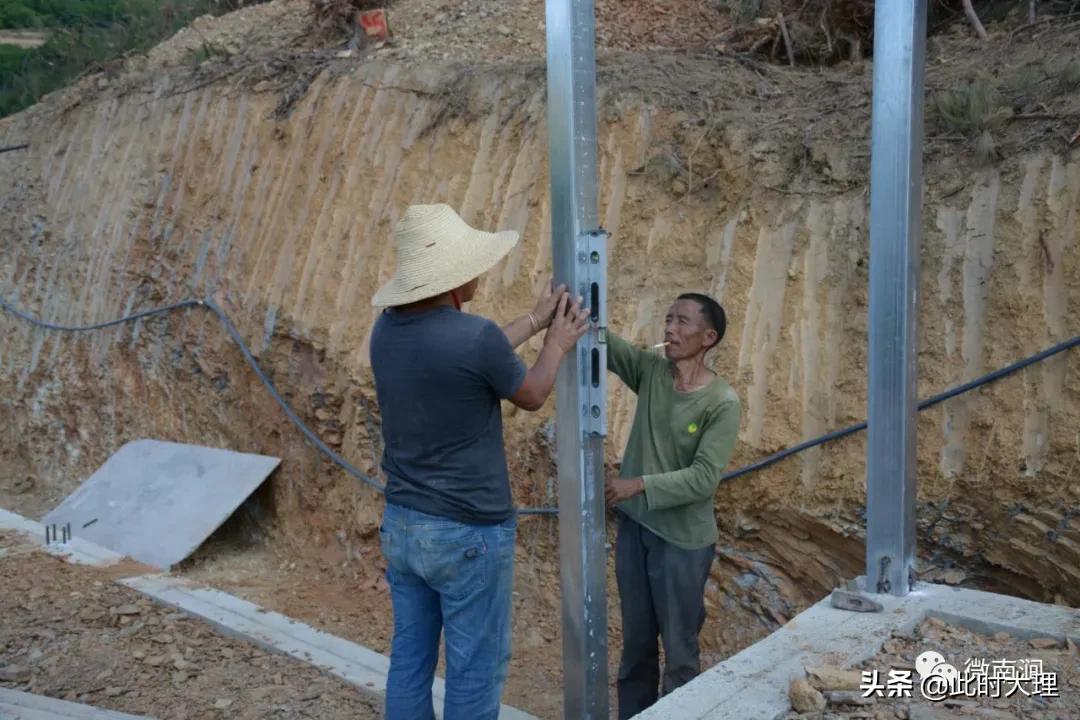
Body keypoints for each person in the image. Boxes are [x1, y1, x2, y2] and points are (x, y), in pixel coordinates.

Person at [369, 203, 589, 720]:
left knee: (410, 659)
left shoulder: (387, 330)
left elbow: (476, 357)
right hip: (467, 532)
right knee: (473, 667)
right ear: (450, 281)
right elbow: (530, 393)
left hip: (403, 523)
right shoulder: (473, 336)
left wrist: (535, 321)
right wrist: (556, 342)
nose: (479, 273)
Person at [603, 292, 742, 719]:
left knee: (680, 653)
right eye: (667, 319)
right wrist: (570, 303)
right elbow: (605, 345)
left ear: (708, 336)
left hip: (682, 543)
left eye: (682, 322)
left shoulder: (722, 402)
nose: (670, 329)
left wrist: (639, 484)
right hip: (636, 533)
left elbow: (703, 479)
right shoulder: (651, 372)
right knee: (636, 647)